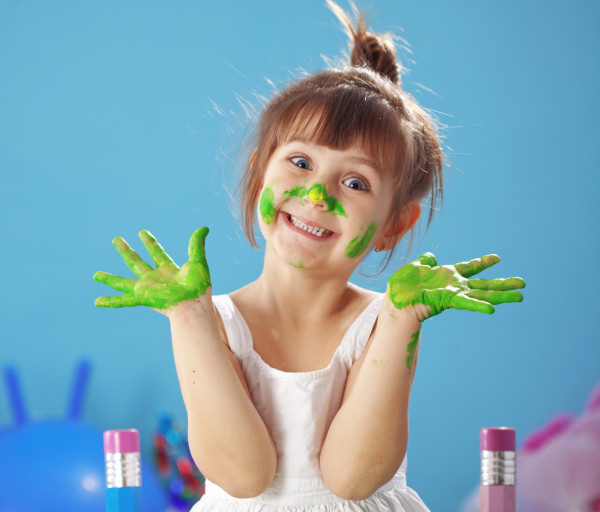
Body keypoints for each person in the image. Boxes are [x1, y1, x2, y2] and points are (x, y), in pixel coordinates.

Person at [93, 2, 526, 510]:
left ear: (393, 226)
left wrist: (403, 320)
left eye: (355, 181)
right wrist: (189, 317)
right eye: (300, 162)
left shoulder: (383, 320)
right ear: (259, 173)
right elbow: (242, 473)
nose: (317, 194)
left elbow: (353, 477)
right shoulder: (214, 320)